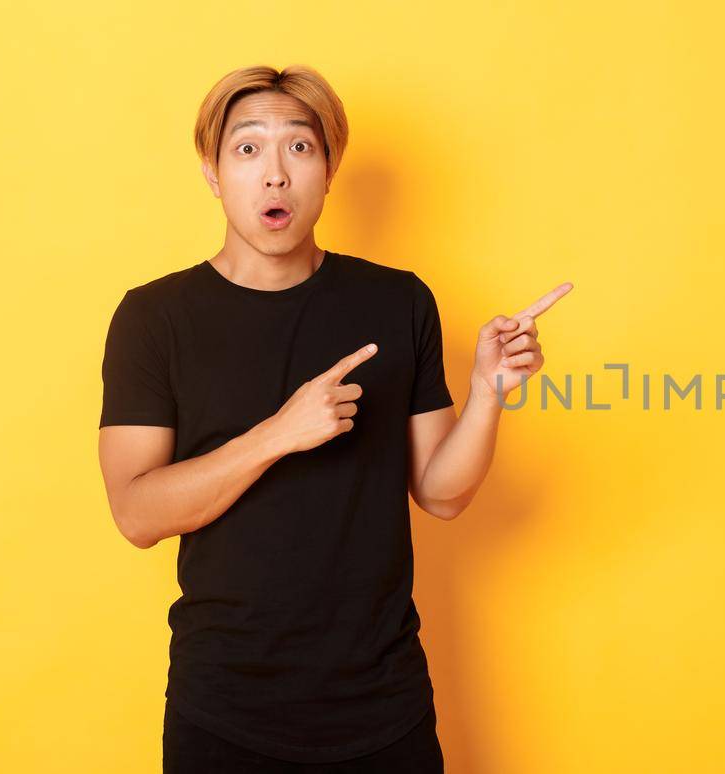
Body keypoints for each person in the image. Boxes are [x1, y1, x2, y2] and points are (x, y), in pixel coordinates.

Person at [96, 64, 572, 772]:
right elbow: (136, 513)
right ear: (212, 172)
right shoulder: (155, 318)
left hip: (385, 705)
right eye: (248, 149)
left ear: (329, 171)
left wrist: (488, 393)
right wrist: (277, 435)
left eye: (300, 147)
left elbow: (443, 493)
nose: (275, 174)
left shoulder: (398, 301)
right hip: (224, 710)